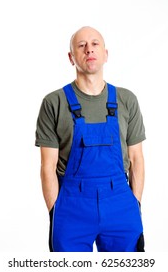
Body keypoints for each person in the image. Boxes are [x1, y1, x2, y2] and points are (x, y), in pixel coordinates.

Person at [35, 26, 146, 252]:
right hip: (72, 206)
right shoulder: (53, 102)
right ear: (71, 57)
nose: (89, 50)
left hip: (120, 204)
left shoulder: (127, 100)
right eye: (81, 45)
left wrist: (133, 205)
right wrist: (56, 211)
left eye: (95, 44)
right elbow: (47, 166)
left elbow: (137, 158)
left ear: (106, 54)